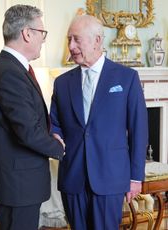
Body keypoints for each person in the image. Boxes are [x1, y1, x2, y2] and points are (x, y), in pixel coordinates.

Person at [50, 15, 148, 229]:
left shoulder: (127, 78)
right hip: (72, 178)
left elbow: (138, 129)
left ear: (97, 40)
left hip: (111, 177)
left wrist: (135, 177)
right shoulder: (61, 83)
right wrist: (54, 135)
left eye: (76, 39)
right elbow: (54, 123)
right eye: (69, 40)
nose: (71, 46)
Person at [0, 5, 65, 230]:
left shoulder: (9, 67)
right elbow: (28, 131)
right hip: (17, 185)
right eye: (42, 33)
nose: (43, 40)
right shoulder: (9, 72)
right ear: (27, 33)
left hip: (16, 182)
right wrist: (60, 147)